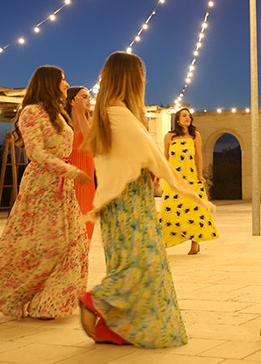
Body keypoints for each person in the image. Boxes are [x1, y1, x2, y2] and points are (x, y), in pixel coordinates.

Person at [78, 51, 212, 347]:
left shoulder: (108, 112)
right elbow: (149, 154)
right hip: (130, 204)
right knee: (145, 264)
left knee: (129, 262)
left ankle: (116, 328)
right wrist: (165, 175)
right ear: (130, 78)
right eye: (141, 75)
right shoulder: (119, 114)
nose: (144, 80)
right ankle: (95, 300)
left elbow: (117, 154)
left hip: (120, 202)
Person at [0, 66, 90, 319]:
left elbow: (76, 140)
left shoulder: (57, 113)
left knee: (70, 243)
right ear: (49, 83)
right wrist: (71, 171)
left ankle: (48, 303)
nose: (67, 85)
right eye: (63, 80)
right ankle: (14, 297)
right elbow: (36, 153)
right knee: (43, 245)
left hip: (63, 187)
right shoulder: (31, 113)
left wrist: (79, 113)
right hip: (42, 185)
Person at [158, 107, 219, 255]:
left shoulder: (195, 135)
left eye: (189, 116)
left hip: (190, 177)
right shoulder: (169, 137)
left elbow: (199, 156)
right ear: (177, 120)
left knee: (194, 210)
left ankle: (195, 243)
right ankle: (161, 241)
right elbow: (165, 156)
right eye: (184, 116)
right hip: (174, 179)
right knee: (170, 210)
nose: (188, 118)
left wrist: (199, 175)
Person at [66, 86, 96, 244]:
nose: (89, 99)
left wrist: (79, 113)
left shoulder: (90, 123)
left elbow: (91, 145)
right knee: (68, 229)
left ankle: (82, 267)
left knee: (86, 228)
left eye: (88, 96)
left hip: (87, 182)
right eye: (84, 97)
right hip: (68, 183)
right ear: (72, 101)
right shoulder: (63, 126)